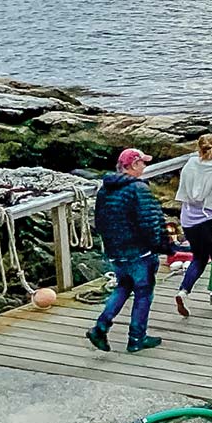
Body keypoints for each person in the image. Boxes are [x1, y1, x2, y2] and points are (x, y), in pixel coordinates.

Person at [85, 148, 173, 353]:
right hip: (139, 252)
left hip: (116, 251)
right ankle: (136, 338)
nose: (144, 166)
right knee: (143, 293)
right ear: (133, 165)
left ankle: (101, 327)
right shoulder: (138, 189)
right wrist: (164, 246)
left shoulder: (105, 189)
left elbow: (100, 221)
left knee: (122, 287)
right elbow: (150, 222)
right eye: (142, 163)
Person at [172, 133, 212, 317]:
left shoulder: (189, 166)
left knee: (199, 258)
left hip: (189, 220)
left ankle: (184, 290)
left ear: (198, 148)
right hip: (211, 220)